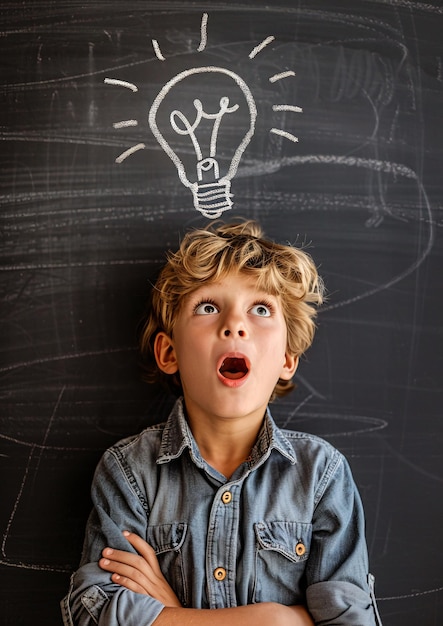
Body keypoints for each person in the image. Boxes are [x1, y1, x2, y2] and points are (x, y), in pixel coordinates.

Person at [61, 220, 382, 626]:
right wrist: (277, 620)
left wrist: (171, 614)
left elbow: (351, 620)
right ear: (169, 352)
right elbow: (95, 612)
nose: (235, 324)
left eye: (261, 309)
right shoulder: (129, 472)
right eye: (208, 307)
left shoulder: (321, 476)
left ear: (287, 358)